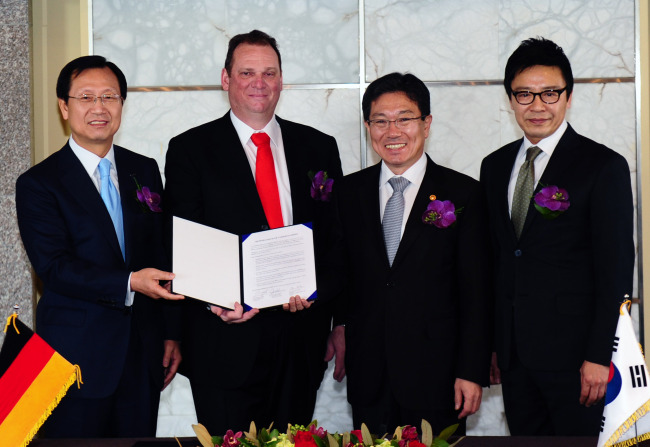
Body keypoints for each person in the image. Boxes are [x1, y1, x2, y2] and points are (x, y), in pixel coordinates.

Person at [164, 30, 342, 433]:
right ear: (226, 79)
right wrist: (217, 301)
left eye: (269, 73)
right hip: (225, 340)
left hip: (301, 339)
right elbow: (183, 240)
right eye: (247, 72)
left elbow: (336, 240)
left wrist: (327, 304)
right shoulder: (190, 149)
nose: (259, 83)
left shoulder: (318, 146)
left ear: (281, 80)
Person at [15, 55, 184, 438]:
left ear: (122, 104)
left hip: (143, 353)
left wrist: (172, 332)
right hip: (76, 358)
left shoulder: (144, 169)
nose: (99, 107)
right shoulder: (39, 183)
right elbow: (54, 267)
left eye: (109, 97)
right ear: (64, 106)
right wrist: (128, 283)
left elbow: (162, 253)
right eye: (86, 97)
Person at [480, 37, 635, 436]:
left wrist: (600, 356)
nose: (537, 105)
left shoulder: (601, 166)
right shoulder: (494, 166)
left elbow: (616, 268)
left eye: (549, 93)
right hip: (514, 359)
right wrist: (494, 344)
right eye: (524, 94)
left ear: (568, 96)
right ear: (510, 99)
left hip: (578, 361)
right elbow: (498, 258)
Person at [323, 72, 492, 435]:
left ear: (426, 123)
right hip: (369, 375)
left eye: (405, 118)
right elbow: (342, 273)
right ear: (368, 126)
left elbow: (477, 292)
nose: (392, 131)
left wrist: (471, 371)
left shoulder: (464, 193)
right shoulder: (349, 193)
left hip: (439, 377)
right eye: (380, 121)